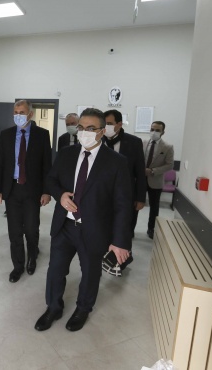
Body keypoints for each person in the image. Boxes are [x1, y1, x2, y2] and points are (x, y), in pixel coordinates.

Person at [35, 108, 131, 332]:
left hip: (94, 229)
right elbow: (51, 180)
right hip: (64, 225)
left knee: (90, 272)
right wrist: (60, 195)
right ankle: (53, 307)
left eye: (90, 128)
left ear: (102, 131)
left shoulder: (116, 162)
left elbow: (122, 205)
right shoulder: (66, 154)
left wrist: (119, 241)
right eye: (81, 127)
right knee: (55, 270)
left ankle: (83, 308)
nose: (84, 132)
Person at [0, 100, 52, 283]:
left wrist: (47, 191)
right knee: (15, 231)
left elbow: (47, 166)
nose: (18, 115)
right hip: (12, 189)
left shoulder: (42, 135)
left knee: (32, 229)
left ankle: (32, 257)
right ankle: (18, 266)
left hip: (33, 190)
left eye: (22, 112)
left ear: (30, 114)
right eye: (16, 112)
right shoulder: (6, 135)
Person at [103, 109, 146, 239]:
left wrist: (140, 198)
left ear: (120, 124)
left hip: (125, 194)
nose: (106, 127)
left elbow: (140, 172)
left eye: (109, 124)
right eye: (104, 123)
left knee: (124, 229)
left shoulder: (134, 142)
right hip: (102, 193)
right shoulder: (98, 140)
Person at [143, 121, 174, 239]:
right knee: (135, 205)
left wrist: (152, 171)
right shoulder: (142, 143)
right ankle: (130, 229)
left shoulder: (167, 147)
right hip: (140, 180)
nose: (154, 132)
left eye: (157, 130)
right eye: (152, 129)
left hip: (156, 181)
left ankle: (151, 229)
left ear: (163, 132)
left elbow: (170, 165)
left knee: (154, 207)